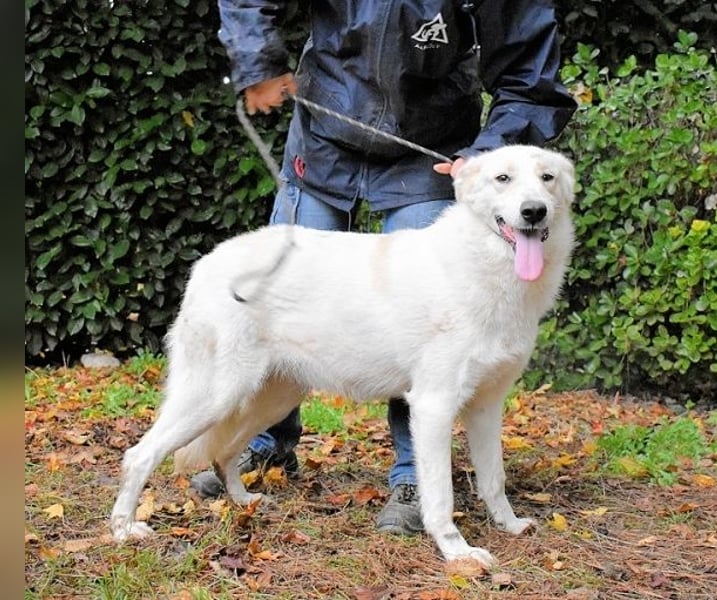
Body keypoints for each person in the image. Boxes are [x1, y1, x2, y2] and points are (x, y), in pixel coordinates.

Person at [191, 0, 577, 535]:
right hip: (324, 132)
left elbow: (529, 75)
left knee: (426, 324)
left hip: (430, 150)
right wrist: (257, 63)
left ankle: (412, 478)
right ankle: (262, 448)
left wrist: (488, 153)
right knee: (282, 303)